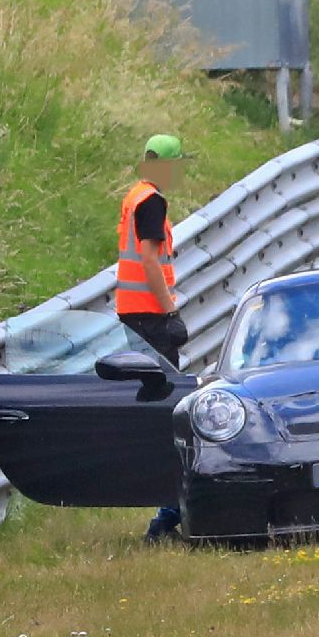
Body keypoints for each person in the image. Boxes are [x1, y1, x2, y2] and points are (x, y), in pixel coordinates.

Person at [117, 132, 191, 542]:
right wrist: (171, 312)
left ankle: (168, 512)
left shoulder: (135, 196)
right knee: (171, 413)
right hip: (149, 316)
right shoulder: (153, 202)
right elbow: (148, 257)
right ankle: (166, 517)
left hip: (133, 314)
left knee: (160, 410)